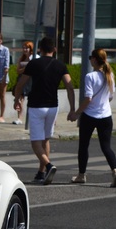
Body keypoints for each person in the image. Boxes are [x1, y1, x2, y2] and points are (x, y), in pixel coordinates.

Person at [14, 37, 76, 185]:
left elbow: (20, 84)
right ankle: (41, 172)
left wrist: (17, 99)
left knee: (35, 141)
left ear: (40, 49)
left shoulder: (33, 64)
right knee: (46, 139)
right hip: (53, 106)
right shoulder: (60, 65)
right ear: (54, 49)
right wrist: (72, 108)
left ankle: (48, 165)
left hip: (36, 106)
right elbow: (70, 87)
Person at [68, 48, 116, 187]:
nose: (90, 59)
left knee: (83, 146)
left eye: (91, 57)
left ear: (94, 59)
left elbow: (88, 99)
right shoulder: (110, 75)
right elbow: (111, 96)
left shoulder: (90, 76)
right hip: (106, 116)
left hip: (90, 116)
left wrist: (76, 113)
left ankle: (81, 175)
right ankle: (115, 171)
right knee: (106, 147)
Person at [12, 41, 35, 125]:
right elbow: (18, 70)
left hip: (31, 81)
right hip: (22, 80)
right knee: (20, 98)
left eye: (27, 48)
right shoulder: (21, 58)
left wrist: (26, 69)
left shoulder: (34, 58)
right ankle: (19, 118)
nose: (25, 49)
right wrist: (25, 68)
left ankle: (31, 118)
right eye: (24, 47)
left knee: (31, 100)